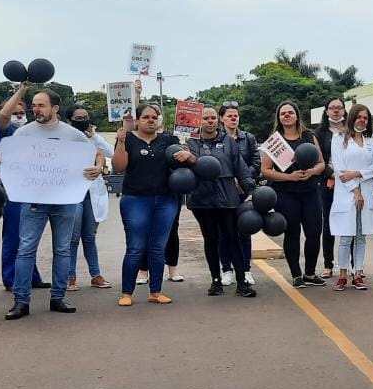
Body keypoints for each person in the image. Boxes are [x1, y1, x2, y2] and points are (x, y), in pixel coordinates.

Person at [3, 91, 102, 320]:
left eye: (42, 105)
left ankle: (58, 296)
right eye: (34, 106)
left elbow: (96, 154)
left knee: (63, 249)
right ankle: (21, 301)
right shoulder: (22, 133)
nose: (36, 110)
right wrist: (1, 161)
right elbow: (10, 160)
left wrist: (98, 167)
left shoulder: (73, 134)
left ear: (55, 108)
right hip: (34, 201)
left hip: (65, 200)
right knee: (26, 249)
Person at [185, 105, 257, 298]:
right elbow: (188, 167)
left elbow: (239, 166)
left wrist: (250, 188)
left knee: (232, 238)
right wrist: (186, 155)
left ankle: (242, 282)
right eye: (205, 118)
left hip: (227, 197)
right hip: (201, 199)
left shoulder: (228, 141)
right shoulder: (190, 142)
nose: (209, 121)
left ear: (217, 119)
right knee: (211, 240)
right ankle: (215, 280)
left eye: (212, 118)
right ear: (198, 121)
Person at [112, 104, 179, 306]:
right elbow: (118, 166)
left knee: (158, 247)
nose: (150, 120)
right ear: (138, 120)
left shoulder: (168, 139)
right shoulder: (128, 138)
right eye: (146, 117)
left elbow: (182, 162)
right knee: (136, 247)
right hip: (135, 200)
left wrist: (186, 155)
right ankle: (126, 293)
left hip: (165, 199)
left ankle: (156, 292)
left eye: (154, 117)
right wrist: (121, 142)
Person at [262, 100, 327, 288]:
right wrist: (289, 177)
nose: (287, 115)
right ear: (279, 118)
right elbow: (265, 170)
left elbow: (321, 163)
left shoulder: (309, 136)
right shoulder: (275, 140)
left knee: (314, 233)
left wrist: (312, 172)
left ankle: (310, 272)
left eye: (290, 112)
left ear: (297, 115)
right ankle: (296, 274)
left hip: (310, 192)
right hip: (286, 193)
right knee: (292, 233)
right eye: (283, 113)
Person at [0, 83, 45, 291]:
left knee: (29, 236)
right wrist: (22, 91)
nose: (19, 115)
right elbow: (4, 117)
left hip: (32, 189)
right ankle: (11, 277)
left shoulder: (30, 132)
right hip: (14, 191)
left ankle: (31, 276)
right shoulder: (6, 131)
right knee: (14, 234)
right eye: (15, 112)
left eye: (22, 112)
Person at [329, 104, 373, 290]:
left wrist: (357, 173)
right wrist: (355, 190)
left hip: (367, 190)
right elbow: (340, 169)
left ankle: (358, 273)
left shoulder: (371, 141)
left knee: (361, 235)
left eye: (365, 118)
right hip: (346, 193)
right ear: (352, 117)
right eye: (359, 117)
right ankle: (343, 274)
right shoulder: (339, 139)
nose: (362, 120)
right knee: (346, 236)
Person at [64, 105, 113, 291]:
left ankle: (96, 274)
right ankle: (70, 276)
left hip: (91, 193)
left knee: (90, 236)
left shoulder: (91, 139)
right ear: (69, 120)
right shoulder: (63, 136)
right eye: (78, 118)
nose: (83, 120)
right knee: (73, 237)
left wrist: (99, 166)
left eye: (85, 117)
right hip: (72, 193)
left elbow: (106, 154)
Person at [218, 101, 259, 287]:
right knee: (223, 232)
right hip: (223, 191)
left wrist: (243, 181)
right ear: (222, 119)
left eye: (236, 115)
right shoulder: (216, 139)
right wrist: (230, 180)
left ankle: (246, 268)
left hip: (245, 191)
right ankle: (227, 269)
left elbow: (256, 163)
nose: (233, 119)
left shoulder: (248, 138)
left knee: (245, 229)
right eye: (229, 116)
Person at [315, 98, 348, 278]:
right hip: (328, 182)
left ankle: (350, 264)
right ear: (326, 111)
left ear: (344, 110)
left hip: (350, 180)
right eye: (332, 108)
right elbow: (318, 159)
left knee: (350, 223)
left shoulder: (351, 131)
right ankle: (328, 264)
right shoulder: (319, 133)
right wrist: (331, 175)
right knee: (328, 223)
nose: (336, 111)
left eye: (339, 108)